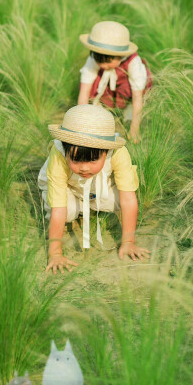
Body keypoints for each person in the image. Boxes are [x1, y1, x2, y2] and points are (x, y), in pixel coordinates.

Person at [38, 104, 150, 275]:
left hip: (97, 183)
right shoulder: (58, 157)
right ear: (65, 150)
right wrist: (55, 254)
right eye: (75, 160)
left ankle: (88, 203)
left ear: (106, 151)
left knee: (118, 201)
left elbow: (128, 198)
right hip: (68, 186)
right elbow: (59, 208)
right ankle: (78, 205)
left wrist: (128, 241)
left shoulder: (119, 153)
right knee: (67, 212)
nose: (83, 168)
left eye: (92, 160)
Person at [78, 21, 152, 143]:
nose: (102, 65)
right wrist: (80, 121)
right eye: (99, 61)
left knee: (137, 95)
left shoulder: (133, 63)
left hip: (128, 92)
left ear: (120, 55)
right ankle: (101, 109)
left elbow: (138, 97)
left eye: (108, 62)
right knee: (93, 82)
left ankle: (128, 111)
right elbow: (84, 92)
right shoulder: (94, 58)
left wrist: (135, 129)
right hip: (108, 89)